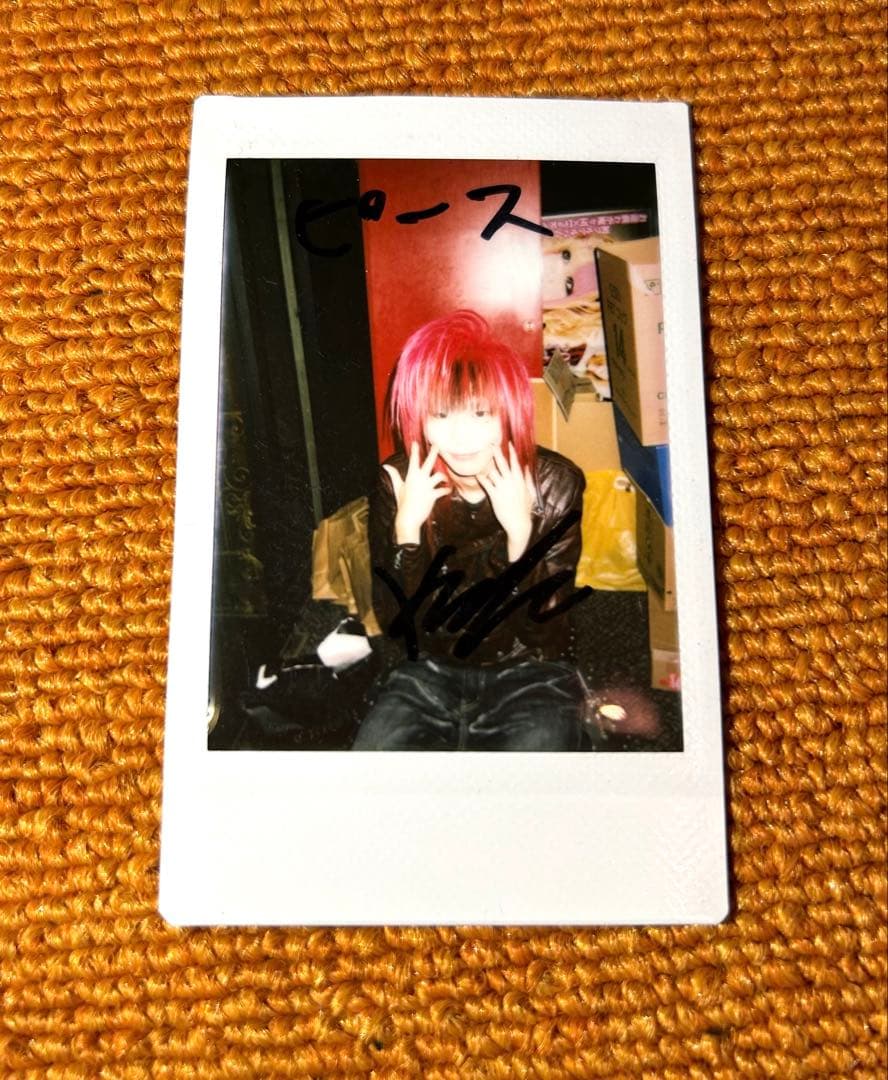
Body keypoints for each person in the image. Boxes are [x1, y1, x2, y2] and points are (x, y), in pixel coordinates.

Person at [352, 310, 590, 751]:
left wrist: (521, 538)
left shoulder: (555, 484)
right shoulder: (399, 482)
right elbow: (397, 628)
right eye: (441, 414)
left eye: (481, 413)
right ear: (419, 418)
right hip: (431, 666)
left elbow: (549, 634)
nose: (461, 438)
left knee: (534, 779)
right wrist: (407, 531)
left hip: (529, 668)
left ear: (508, 414)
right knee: (376, 770)